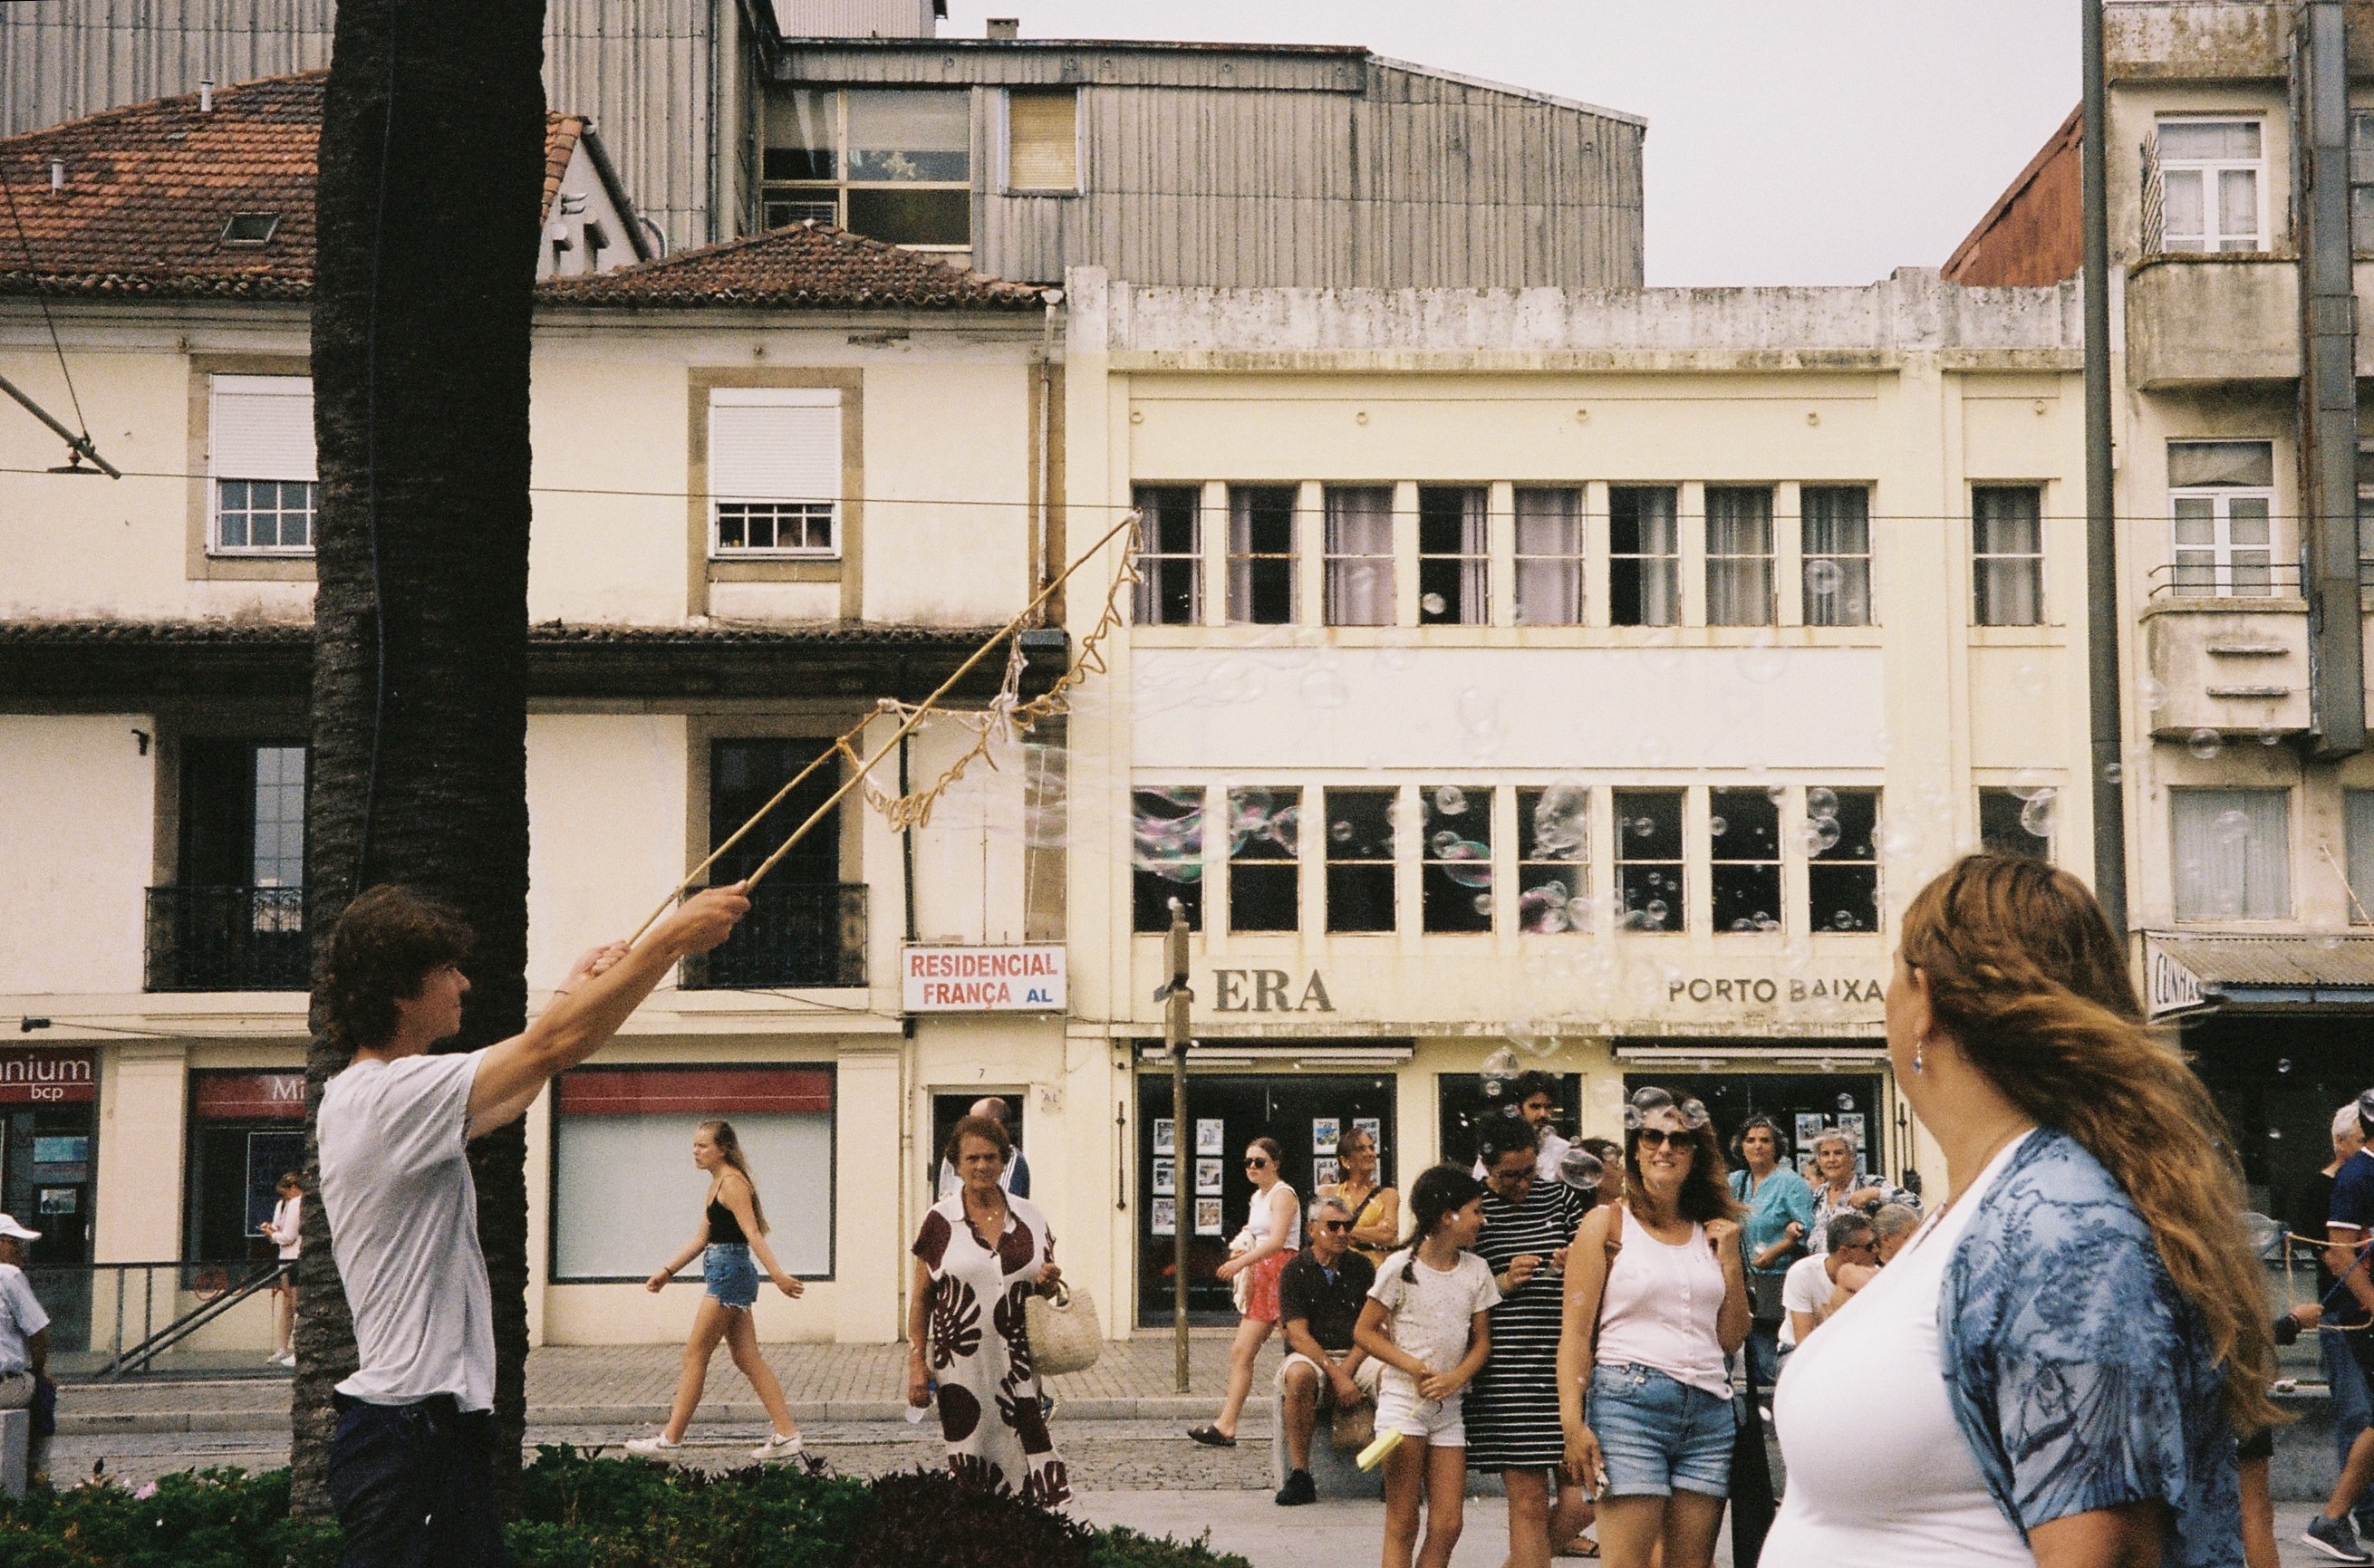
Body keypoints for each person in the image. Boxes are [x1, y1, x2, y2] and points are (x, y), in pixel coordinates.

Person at [1761, 854, 2273, 1568]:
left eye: (1892, 971)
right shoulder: (1985, 1208)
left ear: (1925, 999)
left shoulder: (2067, 1224)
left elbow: (2107, 1552)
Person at [314, 880, 749, 1568]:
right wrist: (672, 940)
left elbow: (531, 1072)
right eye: (445, 969)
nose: (463, 981)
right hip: (407, 1435)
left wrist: (565, 1001)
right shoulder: (383, 1097)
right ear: (400, 989)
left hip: (426, 1433)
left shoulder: (392, 1095)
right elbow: (549, 1049)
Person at [1556, 1089, 1749, 1568]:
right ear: (1637, 1148)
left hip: (1709, 1412)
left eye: (1680, 1140)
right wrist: (1572, 1423)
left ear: (1695, 1153)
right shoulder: (1607, 1224)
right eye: (1652, 1136)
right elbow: (1575, 1335)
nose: (1665, 1148)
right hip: (1628, 1406)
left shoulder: (1714, 1229)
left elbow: (1730, 1337)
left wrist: (1730, 1261)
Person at [906, 1113, 1068, 1504]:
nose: (982, 1166)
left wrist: (1047, 1284)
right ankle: (977, 1540)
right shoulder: (939, 1221)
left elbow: (1042, 1292)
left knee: (1028, 1447)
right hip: (961, 1363)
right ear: (957, 1165)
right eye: (972, 1158)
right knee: (971, 1453)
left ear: (1004, 1160)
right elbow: (922, 1298)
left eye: (991, 1157)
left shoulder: (1031, 1216)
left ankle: (1030, 1540)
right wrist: (916, 1362)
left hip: (1018, 1360)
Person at [626, 1119, 806, 1462]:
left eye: (703, 1145)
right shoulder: (717, 1184)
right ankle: (787, 1433)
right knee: (747, 1357)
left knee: (694, 1355)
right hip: (725, 1271)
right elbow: (701, 1238)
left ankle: (670, 1441)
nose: (696, 1151)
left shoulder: (733, 1183)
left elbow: (753, 1235)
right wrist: (667, 1272)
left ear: (723, 1148)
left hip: (729, 1274)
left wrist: (779, 1276)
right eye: (694, 1145)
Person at [1356, 1166, 1498, 1568]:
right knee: (1403, 1521)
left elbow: (1482, 1341)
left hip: (1448, 1409)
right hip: (1404, 1405)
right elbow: (1365, 1332)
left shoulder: (1476, 1271)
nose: (1481, 1221)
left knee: (1449, 1523)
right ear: (1446, 1216)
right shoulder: (1400, 1268)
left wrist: (1457, 1377)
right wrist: (1413, 1366)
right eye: (1476, 1211)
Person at [1466, 1120, 1594, 1568]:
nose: (1522, 1184)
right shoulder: (1473, 1206)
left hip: (1565, 1359)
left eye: (1529, 1172)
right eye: (1509, 1176)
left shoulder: (1557, 1196)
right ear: (1487, 1168)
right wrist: (1500, 1282)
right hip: (1507, 1370)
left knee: (1595, 1491)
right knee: (1528, 1501)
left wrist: (1572, 1260)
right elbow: (1456, 1285)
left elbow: (1594, 1256)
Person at [2296, 1101, 2374, 1549]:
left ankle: (2341, 1516)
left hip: (2356, 1308)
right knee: (2358, 1414)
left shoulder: (2358, 1177)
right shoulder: (2341, 1182)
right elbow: (2334, 1251)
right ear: (2342, 1141)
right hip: (2347, 1312)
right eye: (2361, 1141)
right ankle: (2348, 1514)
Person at [1189, 1136, 1301, 1448]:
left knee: (1298, 1347)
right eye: (1248, 1162)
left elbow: (1278, 1241)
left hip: (1283, 1273)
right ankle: (1226, 1424)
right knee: (1242, 1350)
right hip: (1262, 1275)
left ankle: (1305, 1420)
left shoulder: (1283, 1195)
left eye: (1259, 1162)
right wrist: (1241, 1254)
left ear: (1275, 1164)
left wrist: (1240, 1265)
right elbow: (1255, 1235)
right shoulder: (1258, 1198)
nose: (1252, 1167)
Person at [1272, 1194, 1379, 1506]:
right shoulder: (1295, 1270)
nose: (1343, 1233)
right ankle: (1301, 1475)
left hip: (1357, 1352)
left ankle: (1395, 1473)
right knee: (1300, 1375)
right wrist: (1334, 1373)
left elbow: (1371, 1326)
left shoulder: (1361, 1267)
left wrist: (1347, 1371)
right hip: (1313, 1353)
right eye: (1333, 1226)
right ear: (1311, 1229)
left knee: (1392, 1378)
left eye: (1348, 1226)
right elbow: (1297, 1333)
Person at [1727, 1115, 1814, 1390]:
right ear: (1740, 1147)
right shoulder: (1736, 1181)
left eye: (1765, 1140)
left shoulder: (1790, 1182)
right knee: (1750, 1360)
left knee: (1769, 1361)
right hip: (1745, 1281)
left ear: (1777, 1146)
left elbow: (1806, 1228)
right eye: (1750, 1140)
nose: (1758, 1146)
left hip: (1779, 1280)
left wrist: (1778, 1249)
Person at [1777, 1213, 1877, 1362]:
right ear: (1845, 1252)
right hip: (1797, 1351)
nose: (1876, 1250)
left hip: (1849, 1351)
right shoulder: (1802, 1273)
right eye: (1869, 1246)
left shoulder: (1874, 1277)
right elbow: (1803, 1342)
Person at [1803, 1129, 1915, 1254]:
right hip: (1820, 1269)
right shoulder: (1818, 1195)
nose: (1831, 1159)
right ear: (1818, 1160)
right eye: (1825, 1154)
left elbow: (1916, 1205)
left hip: (1862, 1269)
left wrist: (1876, 1193)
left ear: (1852, 1157)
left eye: (1838, 1153)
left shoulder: (1870, 1184)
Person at [0, 1216, 52, 1482]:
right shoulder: (8, 1275)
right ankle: (36, 1472)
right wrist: (40, 1370)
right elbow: (38, 1332)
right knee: (43, 1390)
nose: (21, 1253)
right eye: (15, 1244)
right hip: (3, 1387)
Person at [1474, 1072, 1573, 1185]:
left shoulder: (1563, 1150)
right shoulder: (1498, 1146)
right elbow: (1481, 1187)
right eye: (1535, 1106)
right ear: (1517, 1108)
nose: (1543, 1114)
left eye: (1548, 1107)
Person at [1329, 1124, 1401, 1269]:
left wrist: (1344, 1231)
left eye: (1372, 1148)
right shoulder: (1330, 1194)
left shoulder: (1388, 1195)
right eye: (1361, 1149)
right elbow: (1323, 1232)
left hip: (1377, 1272)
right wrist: (1371, 1233)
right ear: (1345, 1161)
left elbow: (1387, 1234)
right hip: (1341, 1271)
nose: (1370, 1153)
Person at [935, 1096, 1031, 1199]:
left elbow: (1003, 1202)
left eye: (975, 1122)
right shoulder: (955, 1154)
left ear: (996, 1125)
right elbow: (944, 1198)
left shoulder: (1010, 1158)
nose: (968, 1126)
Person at [258, 1170, 303, 1368]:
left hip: (295, 1258)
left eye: (286, 1192)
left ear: (294, 1189)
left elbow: (289, 1236)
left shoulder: (297, 1203)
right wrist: (271, 1231)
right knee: (287, 1305)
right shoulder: (283, 1204)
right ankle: (283, 1347)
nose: (284, 1197)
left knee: (296, 1304)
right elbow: (279, 1230)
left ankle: (299, 1350)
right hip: (284, 1259)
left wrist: (274, 1235)